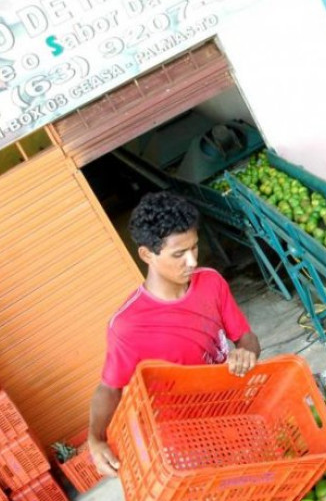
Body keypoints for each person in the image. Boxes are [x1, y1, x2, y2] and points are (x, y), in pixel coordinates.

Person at [88, 191, 261, 476]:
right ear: (147, 254)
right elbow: (109, 388)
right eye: (179, 254)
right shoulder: (128, 325)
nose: (192, 261)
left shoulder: (211, 282)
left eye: (195, 247)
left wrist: (246, 353)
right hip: (187, 438)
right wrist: (95, 438)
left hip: (234, 409)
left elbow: (246, 336)